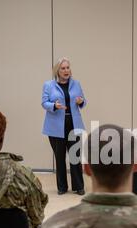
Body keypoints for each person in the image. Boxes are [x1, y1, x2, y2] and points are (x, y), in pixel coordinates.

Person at [41, 57, 86, 195]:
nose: (66, 70)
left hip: (74, 124)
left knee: (75, 157)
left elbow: (83, 101)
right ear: (57, 71)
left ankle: (78, 186)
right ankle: (62, 187)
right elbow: (44, 103)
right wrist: (54, 105)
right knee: (60, 158)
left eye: (68, 68)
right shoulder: (48, 85)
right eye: (63, 68)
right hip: (55, 127)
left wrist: (80, 101)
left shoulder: (76, 84)